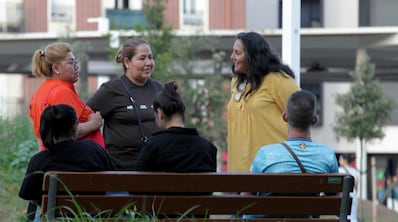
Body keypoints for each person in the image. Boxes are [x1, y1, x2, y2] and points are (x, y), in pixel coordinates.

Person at [18, 104, 114, 222]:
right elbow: (111, 181)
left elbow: (33, 198)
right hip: (95, 221)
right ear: (75, 127)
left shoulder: (39, 160)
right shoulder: (94, 150)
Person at [227, 31, 301, 172]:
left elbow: (301, 117)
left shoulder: (279, 80)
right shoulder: (236, 82)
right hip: (238, 171)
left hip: (273, 169)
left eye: (237, 52)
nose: (232, 57)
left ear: (252, 56)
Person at [87, 38, 163, 170]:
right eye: (142, 58)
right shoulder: (111, 90)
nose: (148, 63)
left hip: (155, 168)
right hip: (120, 170)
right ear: (127, 62)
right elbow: (84, 116)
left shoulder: (159, 89)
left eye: (150, 57)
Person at [247, 90, 338, 192]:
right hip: (311, 208)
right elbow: (336, 194)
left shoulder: (265, 154)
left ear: (285, 117)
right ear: (315, 120)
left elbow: (248, 194)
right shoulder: (327, 155)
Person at [30, 42, 104, 150]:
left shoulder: (41, 91)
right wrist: (94, 123)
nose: (76, 66)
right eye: (71, 62)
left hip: (55, 160)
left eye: (76, 61)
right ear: (56, 68)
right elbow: (66, 133)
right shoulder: (61, 92)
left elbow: (41, 138)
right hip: (75, 162)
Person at [136, 81, 217, 172]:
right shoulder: (207, 147)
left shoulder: (152, 146)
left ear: (160, 113)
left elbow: (138, 181)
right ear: (182, 112)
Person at [339, 153, 361, 222]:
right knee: (353, 216)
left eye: (340, 159)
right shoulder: (355, 172)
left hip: (343, 196)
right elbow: (356, 187)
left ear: (344, 160)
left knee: (345, 216)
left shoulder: (339, 171)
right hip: (354, 196)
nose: (339, 161)